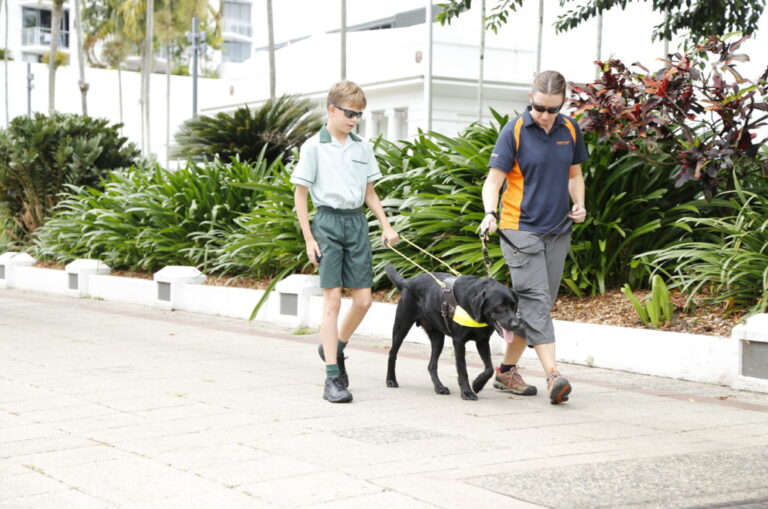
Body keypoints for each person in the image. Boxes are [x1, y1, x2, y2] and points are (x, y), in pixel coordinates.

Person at [479, 70, 588, 405]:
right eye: (540, 107)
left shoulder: (569, 129)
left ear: (562, 105)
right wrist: (490, 213)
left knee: (536, 306)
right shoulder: (513, 131)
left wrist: (579, 203)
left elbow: (575, 175)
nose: (545, 115)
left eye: (552, 109)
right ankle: (553, 375)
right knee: (537, 301)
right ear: (531, 98)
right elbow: (494, 181)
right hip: (518, 229)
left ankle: (506, 371)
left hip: (557, 230)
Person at [291, 80, 399, 404]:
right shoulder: (314, 147)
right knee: (333, 300)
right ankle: (332, 377)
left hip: (356, 223)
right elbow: (300, 194)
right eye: (350, 113)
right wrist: (309, 238)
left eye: (359, 115)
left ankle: (333, 348)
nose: (355, 119)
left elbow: (369, 192)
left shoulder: (362, 147)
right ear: (332, 109)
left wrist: (385, 224)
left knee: (364, 300)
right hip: (326, 222)